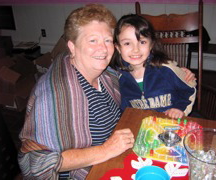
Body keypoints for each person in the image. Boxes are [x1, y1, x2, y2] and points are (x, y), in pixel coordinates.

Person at [18, 4, 135, 179]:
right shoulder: (55, 95)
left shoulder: (107, 76)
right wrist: (105, 150)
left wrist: (178, 74)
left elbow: (138, 74)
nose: (103, 49)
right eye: (92, 40)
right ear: (72, 46)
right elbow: (36, 163)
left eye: (108, 40)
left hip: (113, 159)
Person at [111, 14, 196, 119]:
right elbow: (124, 109)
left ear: (151, 45)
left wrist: (179, 108)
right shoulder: (117, 77)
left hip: (170, 125)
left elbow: (189, 89)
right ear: (118, 48)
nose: (135, 49)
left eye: (142, 42)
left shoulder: (166, 69)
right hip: (141, 128)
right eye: (127, 43)